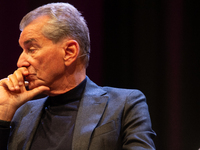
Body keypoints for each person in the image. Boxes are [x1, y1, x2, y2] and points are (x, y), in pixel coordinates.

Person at [0, 2, 156, 150]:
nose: (20, 62)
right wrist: (3, 113)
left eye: (31, 49)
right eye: (22, 50)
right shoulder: (21, 113)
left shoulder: (124, 104)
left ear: (69, 52)